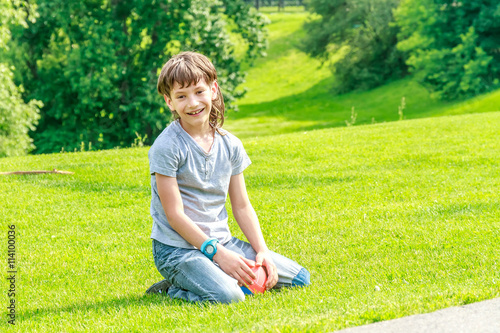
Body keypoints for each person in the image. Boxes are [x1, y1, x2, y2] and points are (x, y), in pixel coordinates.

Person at [145, 51, 310, 303]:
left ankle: (212, 273)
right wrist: (218, 255)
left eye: (199, 91)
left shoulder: (230, 144)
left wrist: (261, 251)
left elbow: (242, 206)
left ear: (213, 89)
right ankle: (174, 287)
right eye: (181, 96)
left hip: (223, 243)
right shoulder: (167, 147)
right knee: (230, 296)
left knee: (299, 279)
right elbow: (175, 216)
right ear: (170, 102)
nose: (192, 103)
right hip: (177, 251)